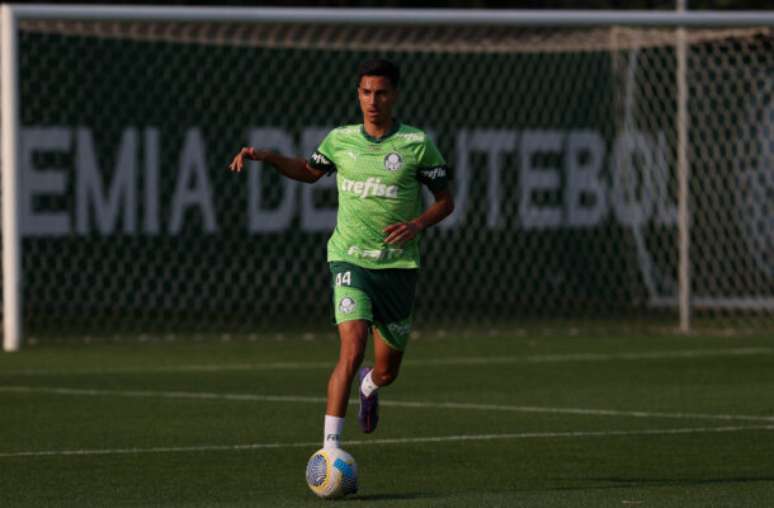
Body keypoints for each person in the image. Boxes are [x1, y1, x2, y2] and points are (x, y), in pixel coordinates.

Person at [228, 59, 454, 449]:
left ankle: (371, 384)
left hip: (398, 267)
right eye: (366, 92)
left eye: (381, 93)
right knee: (351, 346)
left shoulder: (417, 144)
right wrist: (266, 157)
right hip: (349, 260)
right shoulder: (340, 140)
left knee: (387, 371)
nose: (373, 101)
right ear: (358, 95)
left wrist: (417, 225)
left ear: (394, 96)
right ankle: (330, 450)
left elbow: (446, 202)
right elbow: (307, 170)